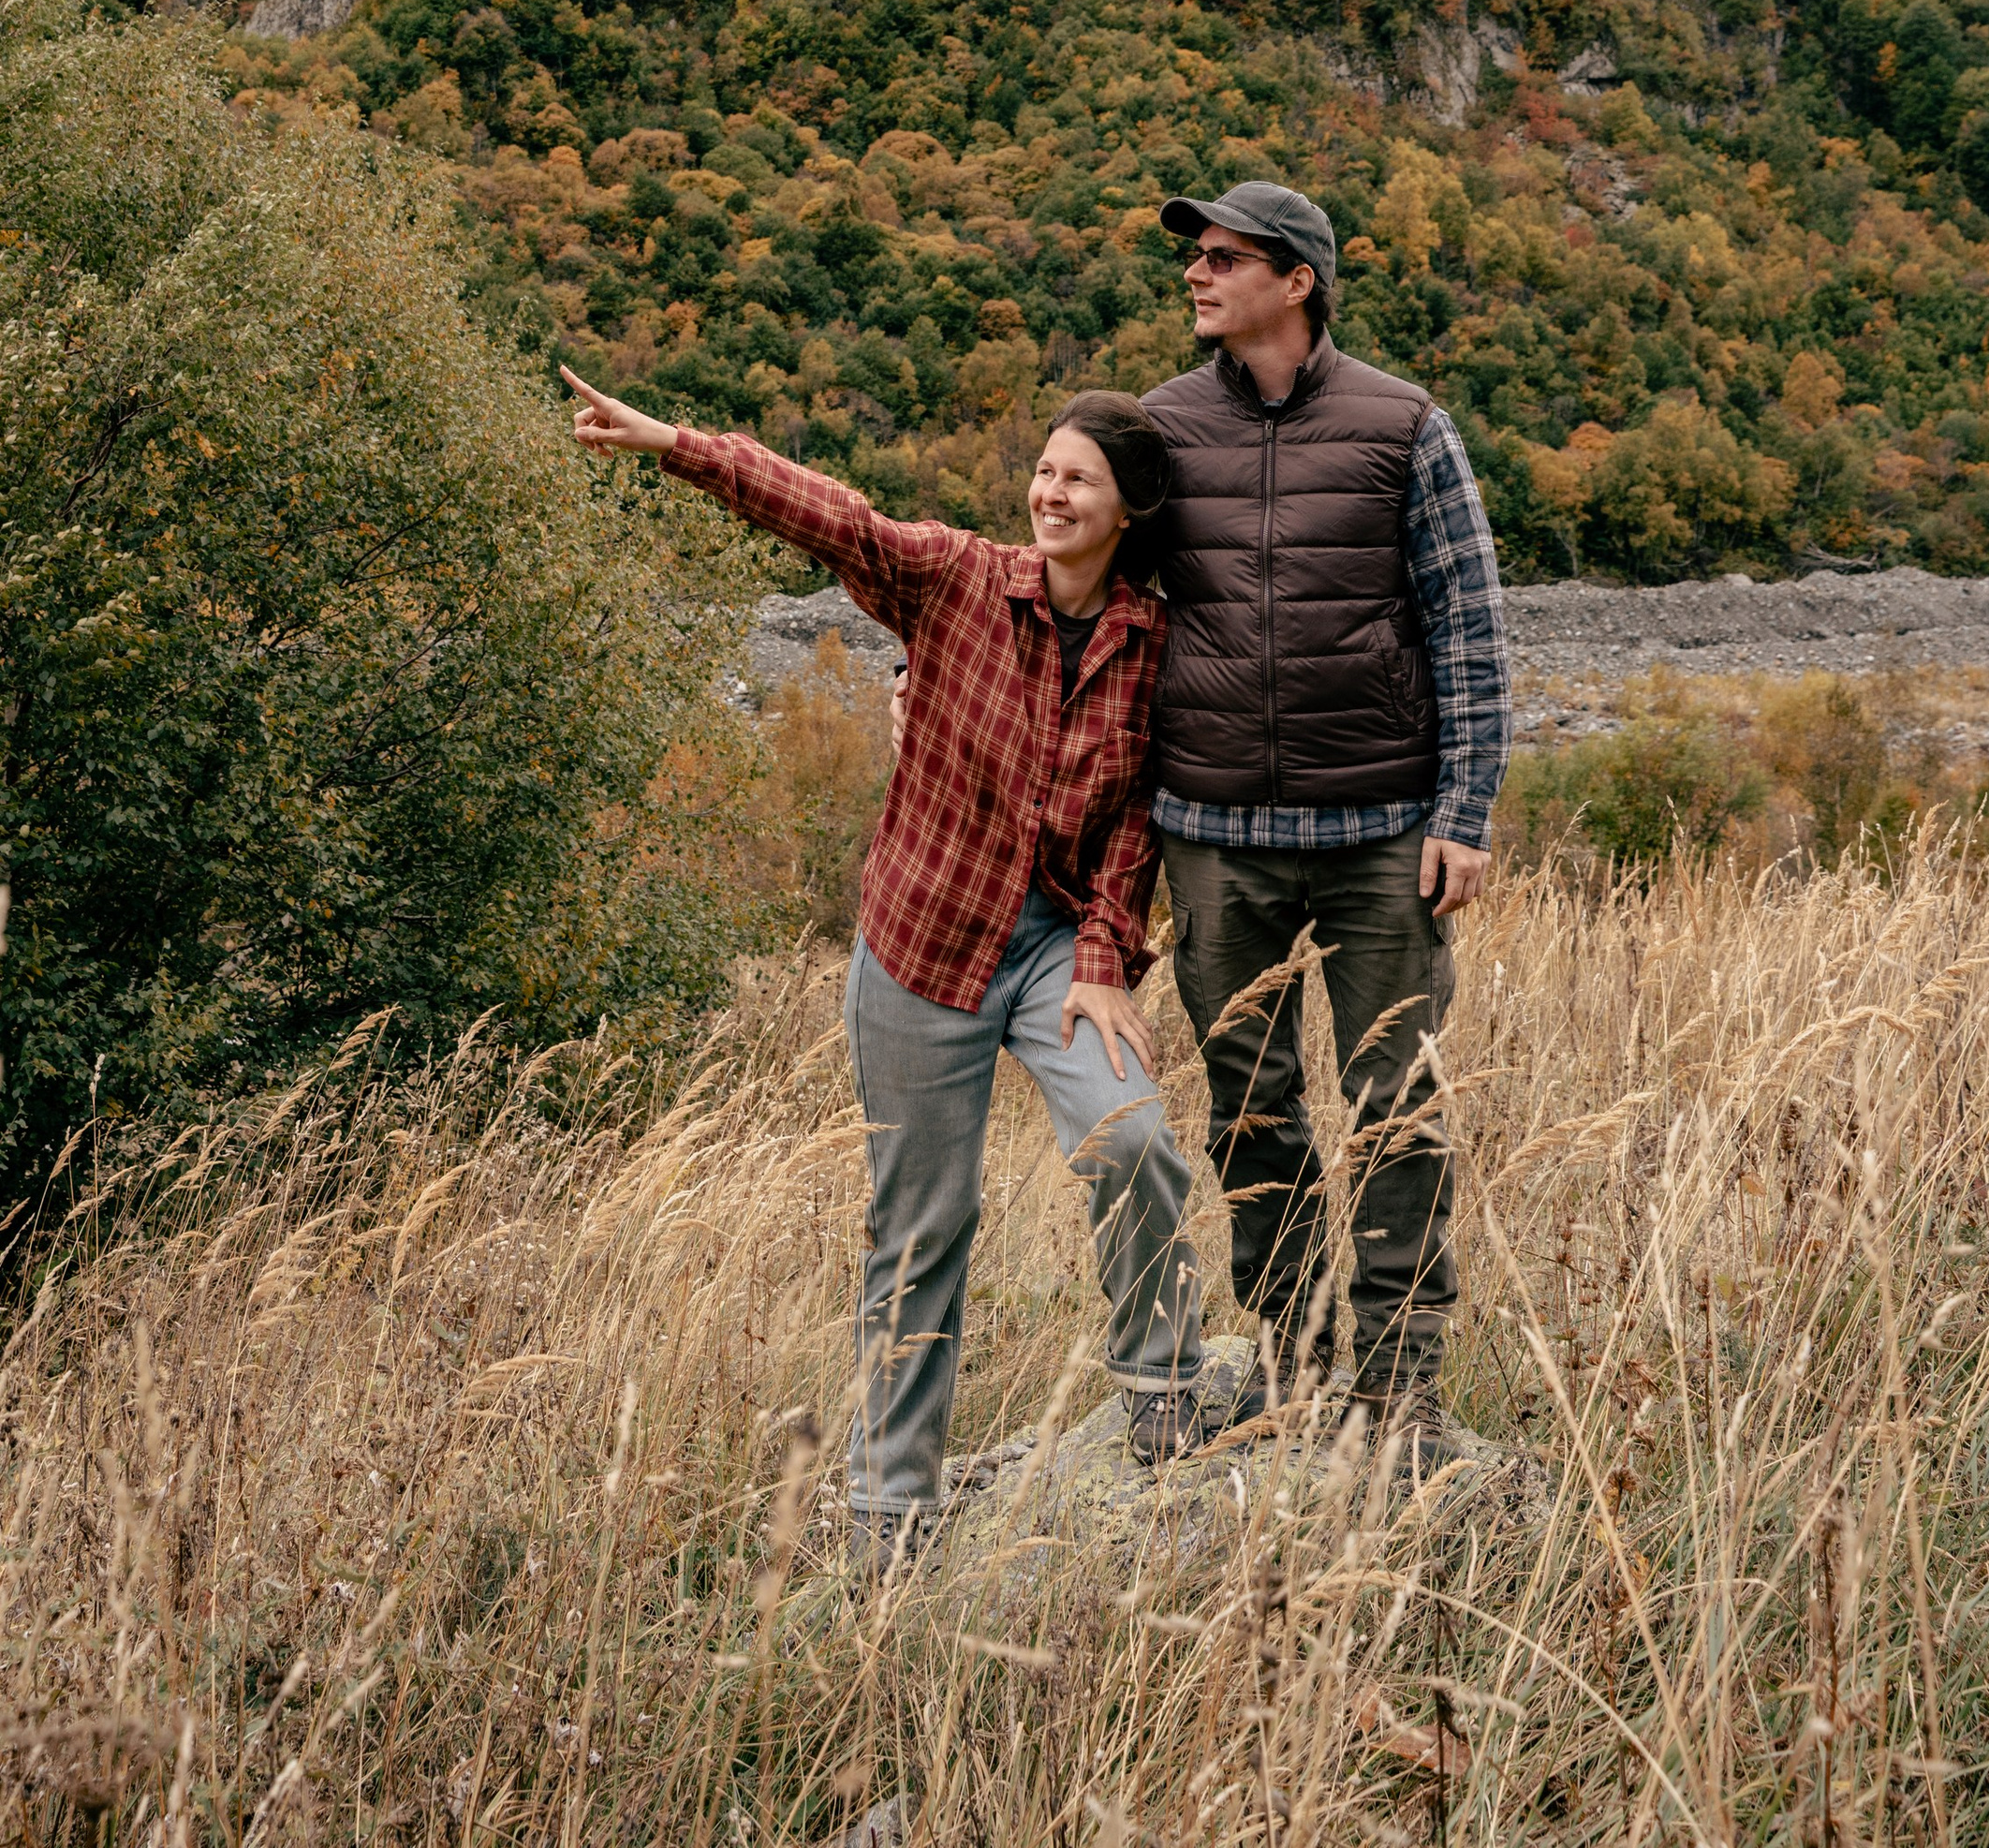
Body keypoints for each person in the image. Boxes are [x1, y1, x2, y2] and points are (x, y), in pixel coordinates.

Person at [560, 366, 1224, 1558]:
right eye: (1044, 471)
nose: (1050, 493)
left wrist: (1106, 953)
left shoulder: (1152, 643)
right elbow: (832, 516)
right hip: (923, 941)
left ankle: (1161, 1385)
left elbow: (1138, 820)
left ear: (1127, 508)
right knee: (920, 1230)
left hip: (1056, 951)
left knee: (1133, 1142)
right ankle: (888, 1510)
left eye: (1078, 480)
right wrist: (674, 444)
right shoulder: (958, 579)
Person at [1138, 180, 1511, 1470]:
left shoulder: (1406, 426)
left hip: (1381, 833)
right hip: (1212, 831)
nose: (1196, 273)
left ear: (1297, 279)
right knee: (1250, 1110)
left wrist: (1464, 811)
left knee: (1395, 1106)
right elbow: (1084, 580)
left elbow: (1468, 626)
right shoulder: (1161, 429)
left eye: (1222, 256)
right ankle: (1292, 1358)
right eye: (1195, 256)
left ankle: (1399, 1384)